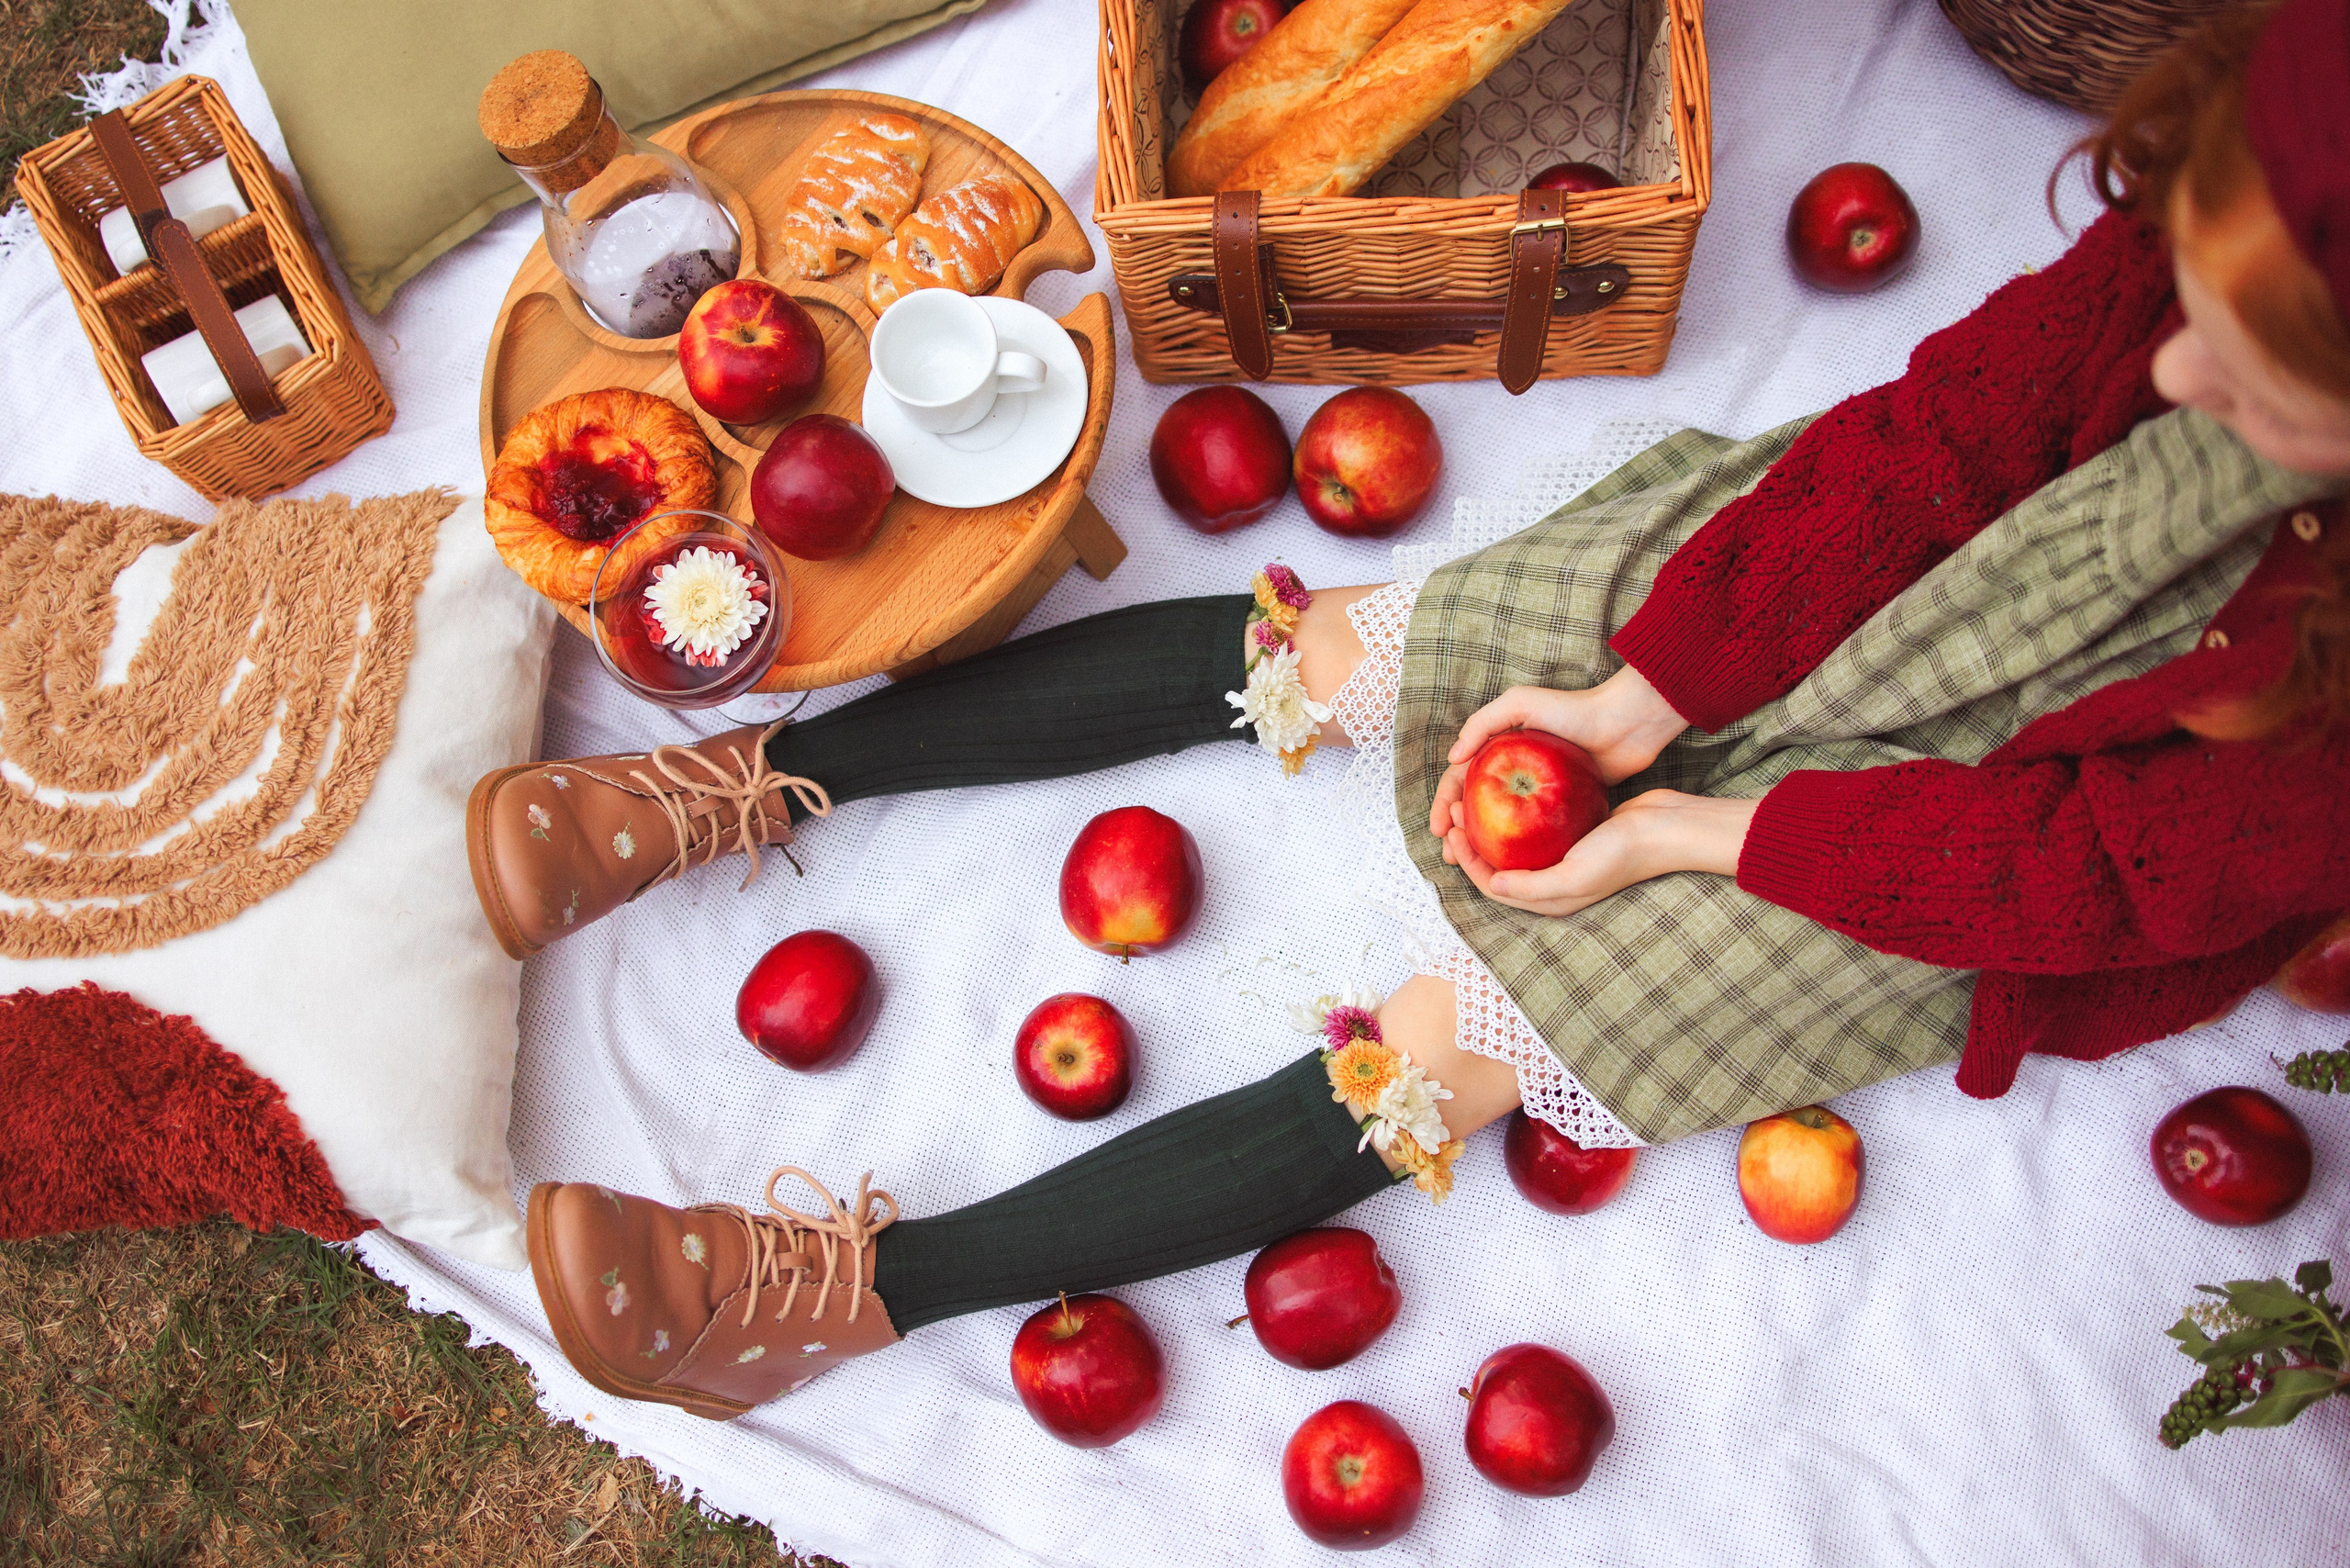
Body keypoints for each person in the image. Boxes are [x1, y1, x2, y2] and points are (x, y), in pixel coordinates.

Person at [470, 0, 2350, 1420]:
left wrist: (1688, 825)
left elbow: (2088, 871)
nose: (2171, 359)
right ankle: (756, 776)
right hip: (1953, 560)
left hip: (2050, 827)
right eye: (2178, 285)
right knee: (1418, 633)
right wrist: (1636, 699)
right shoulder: (2242, 231)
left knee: (1494, 1031)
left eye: (2249, 385)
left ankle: (854, 1288)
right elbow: (1940, 442)